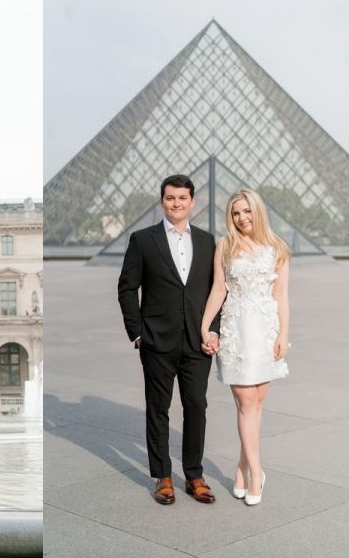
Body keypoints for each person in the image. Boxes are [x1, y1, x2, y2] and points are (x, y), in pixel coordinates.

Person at [118, 174, 220, 506]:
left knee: (196, 408)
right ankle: (162, 476)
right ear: (162, 201)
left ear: (193, 201)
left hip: (197, 341)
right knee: (158, 410)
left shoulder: (208, 242)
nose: (176, 203)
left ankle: (194, 474)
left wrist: (213, 329)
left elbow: (217, 292)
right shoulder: (143, 239)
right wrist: (137, 333)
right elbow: (127, 287)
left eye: (182, 198)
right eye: (170, 198)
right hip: (156, 341)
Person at [200, 188, 290, 506]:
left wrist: (283, 336)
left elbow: (282, 297)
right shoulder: (225, 246)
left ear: (257, 211)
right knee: (244, 404)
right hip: (236, 331)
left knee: (257, 403)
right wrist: (204, 325)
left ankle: (240, 468)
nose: (242, 218)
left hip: (265, 331)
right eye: (236, 213)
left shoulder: (277, 248)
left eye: (246, 211)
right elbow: (218, 289)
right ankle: (257, 472)